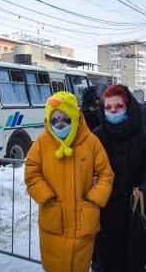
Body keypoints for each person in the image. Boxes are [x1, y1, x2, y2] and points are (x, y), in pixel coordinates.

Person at [24, 91, 114, 272]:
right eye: (55, 119)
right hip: (53, 219)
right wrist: (46, 197)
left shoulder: (91, 142)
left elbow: (106, 174)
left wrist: (94, 197)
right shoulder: (42, 143)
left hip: (84, 221)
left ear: (75, 117)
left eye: (65, 118)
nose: (60, 124)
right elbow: (32, 174)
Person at [91, 85, 146, 272]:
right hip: (105, 214)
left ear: (128, 107)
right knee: (106, 263)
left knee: (135, 262)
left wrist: (145, 190)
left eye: (118, 106)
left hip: (136, 212)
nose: (113, 111)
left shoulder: (144, 137)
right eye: (109, 107)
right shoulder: (95, 138)